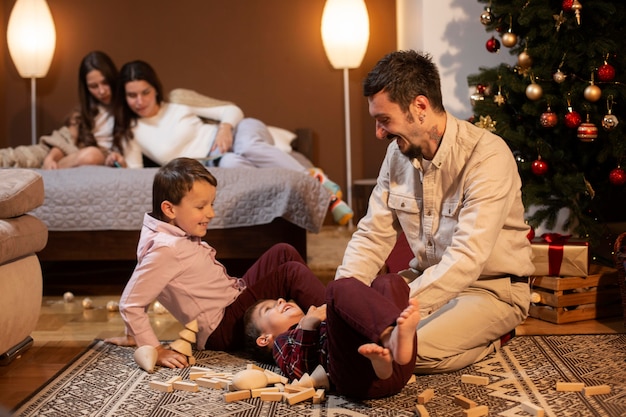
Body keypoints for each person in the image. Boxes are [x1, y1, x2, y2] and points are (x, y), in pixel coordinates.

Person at [335, 50, 534, 374]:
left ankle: (496, 334)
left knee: (406, 351)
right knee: (356, 334)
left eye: (384, 120)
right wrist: (342, 299)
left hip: (489, 289)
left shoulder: (487, 157)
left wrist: (393, 315)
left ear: (420, 107)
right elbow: (372, 234)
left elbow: (467, 259)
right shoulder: (396, 157)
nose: (379, 132)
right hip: (423, 279)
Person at [104, 157, 326, 368]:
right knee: (290, 272)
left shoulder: (167, 235)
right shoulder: (165, 249)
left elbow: (142, 284)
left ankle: (309, 327)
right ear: (169, 209)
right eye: (201, 207)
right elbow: (131, 302)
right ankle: (334, 320)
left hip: (231, 301)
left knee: (282, 252)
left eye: (211, 204)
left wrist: (133, 334)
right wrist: (153, 348)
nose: (211, 213)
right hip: (221, 326)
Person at [112, 60, 352, 224]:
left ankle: (316, 179)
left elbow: (231, 110)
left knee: (248, 147)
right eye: (132, 95)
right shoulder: (132, 132)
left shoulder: (177, 103)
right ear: (124, 97)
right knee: (233, 168)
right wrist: (118, 161)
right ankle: (325, 194)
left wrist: (225, 129)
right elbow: (134, 172)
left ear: (155, 89)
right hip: (218, 159)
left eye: (145, 92)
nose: (139, 101)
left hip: (241, 131)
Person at [243, 275, 420, 399]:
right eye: (269, 308)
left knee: (388, 281)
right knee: (337, 288)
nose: (281, 300)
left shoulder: (322, 317)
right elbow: (298, 373)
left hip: (399, 366)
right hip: (358, 380)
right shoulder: (282, 341)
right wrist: (307, 325)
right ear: (264, 339)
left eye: (279, 300)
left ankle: (390, 338)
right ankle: (388, 341)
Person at [0, 51, 128, 168]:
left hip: (90, 156)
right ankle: (46, 166)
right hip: (63, 150)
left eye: (105, 82)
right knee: (18, 156)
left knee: (91, 155)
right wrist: (50, 158)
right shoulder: (84, 112)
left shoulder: (127, 107)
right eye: (94, 86)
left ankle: (47, 171)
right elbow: (66, 140)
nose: (101, 91)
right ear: (86, 88)